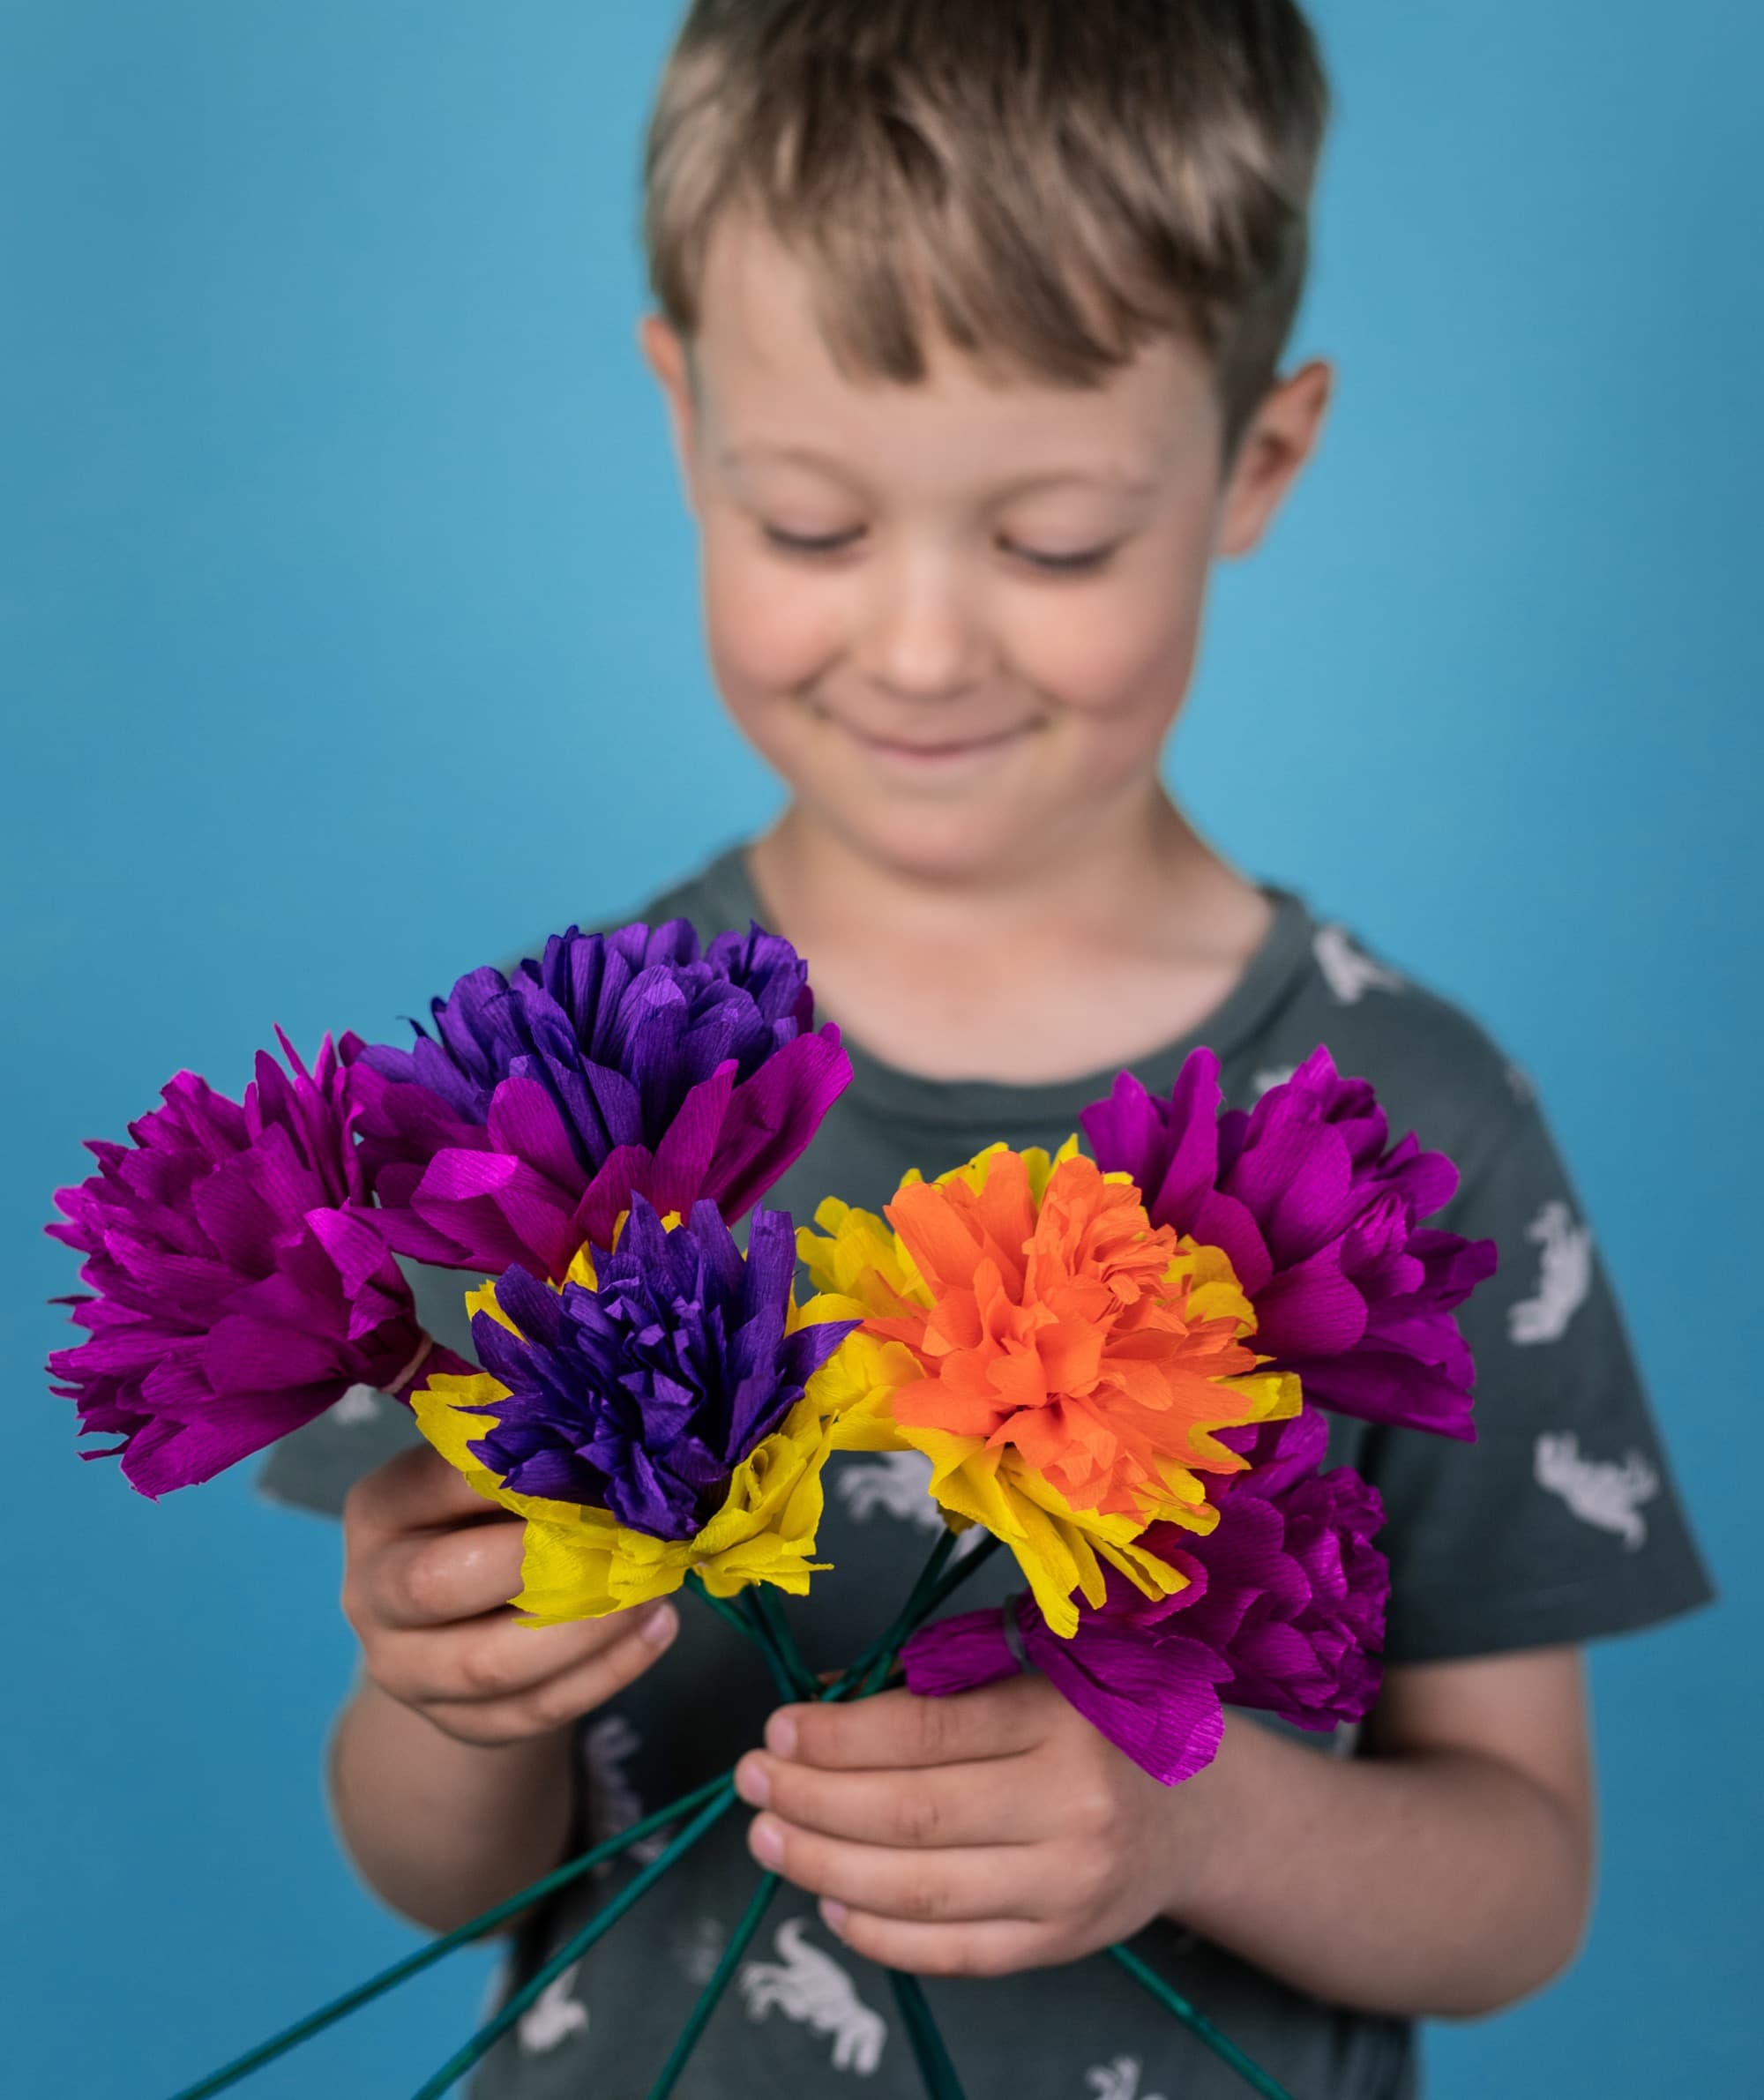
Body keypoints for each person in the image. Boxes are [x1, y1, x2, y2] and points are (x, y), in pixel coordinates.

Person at [258, 4, 1712, 2093]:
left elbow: (1519, 1883)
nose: (922, 645)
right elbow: (434, 1878)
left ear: (1258, 463)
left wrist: (1199, 1810)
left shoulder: (1401, 1121)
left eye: (1051, 544)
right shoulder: (558, 1089)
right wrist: (435, 1695)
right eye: (814, 529)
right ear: (684, 428)